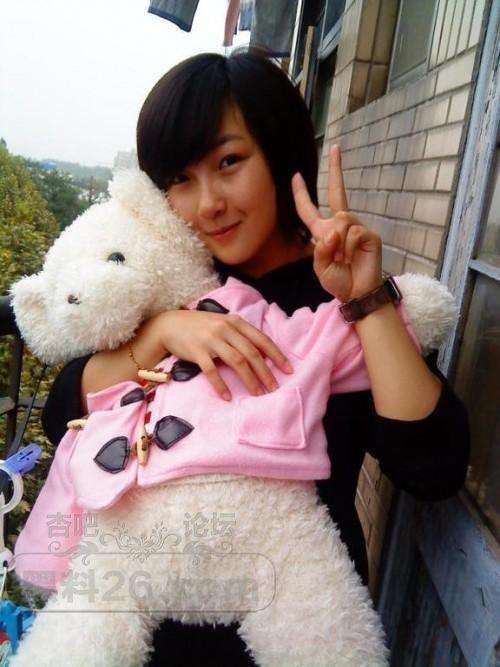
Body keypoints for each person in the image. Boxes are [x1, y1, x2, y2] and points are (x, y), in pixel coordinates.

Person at [41, 50, 470, 666]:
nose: (207, 203)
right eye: (180, 179)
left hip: (294, 622)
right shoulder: (174, 283)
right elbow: (65, 411)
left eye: (229, 163)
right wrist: (162, 332)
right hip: (152, 633)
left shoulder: (334, 301)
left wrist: (367, 300)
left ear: (280, 153)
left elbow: (433, 467)